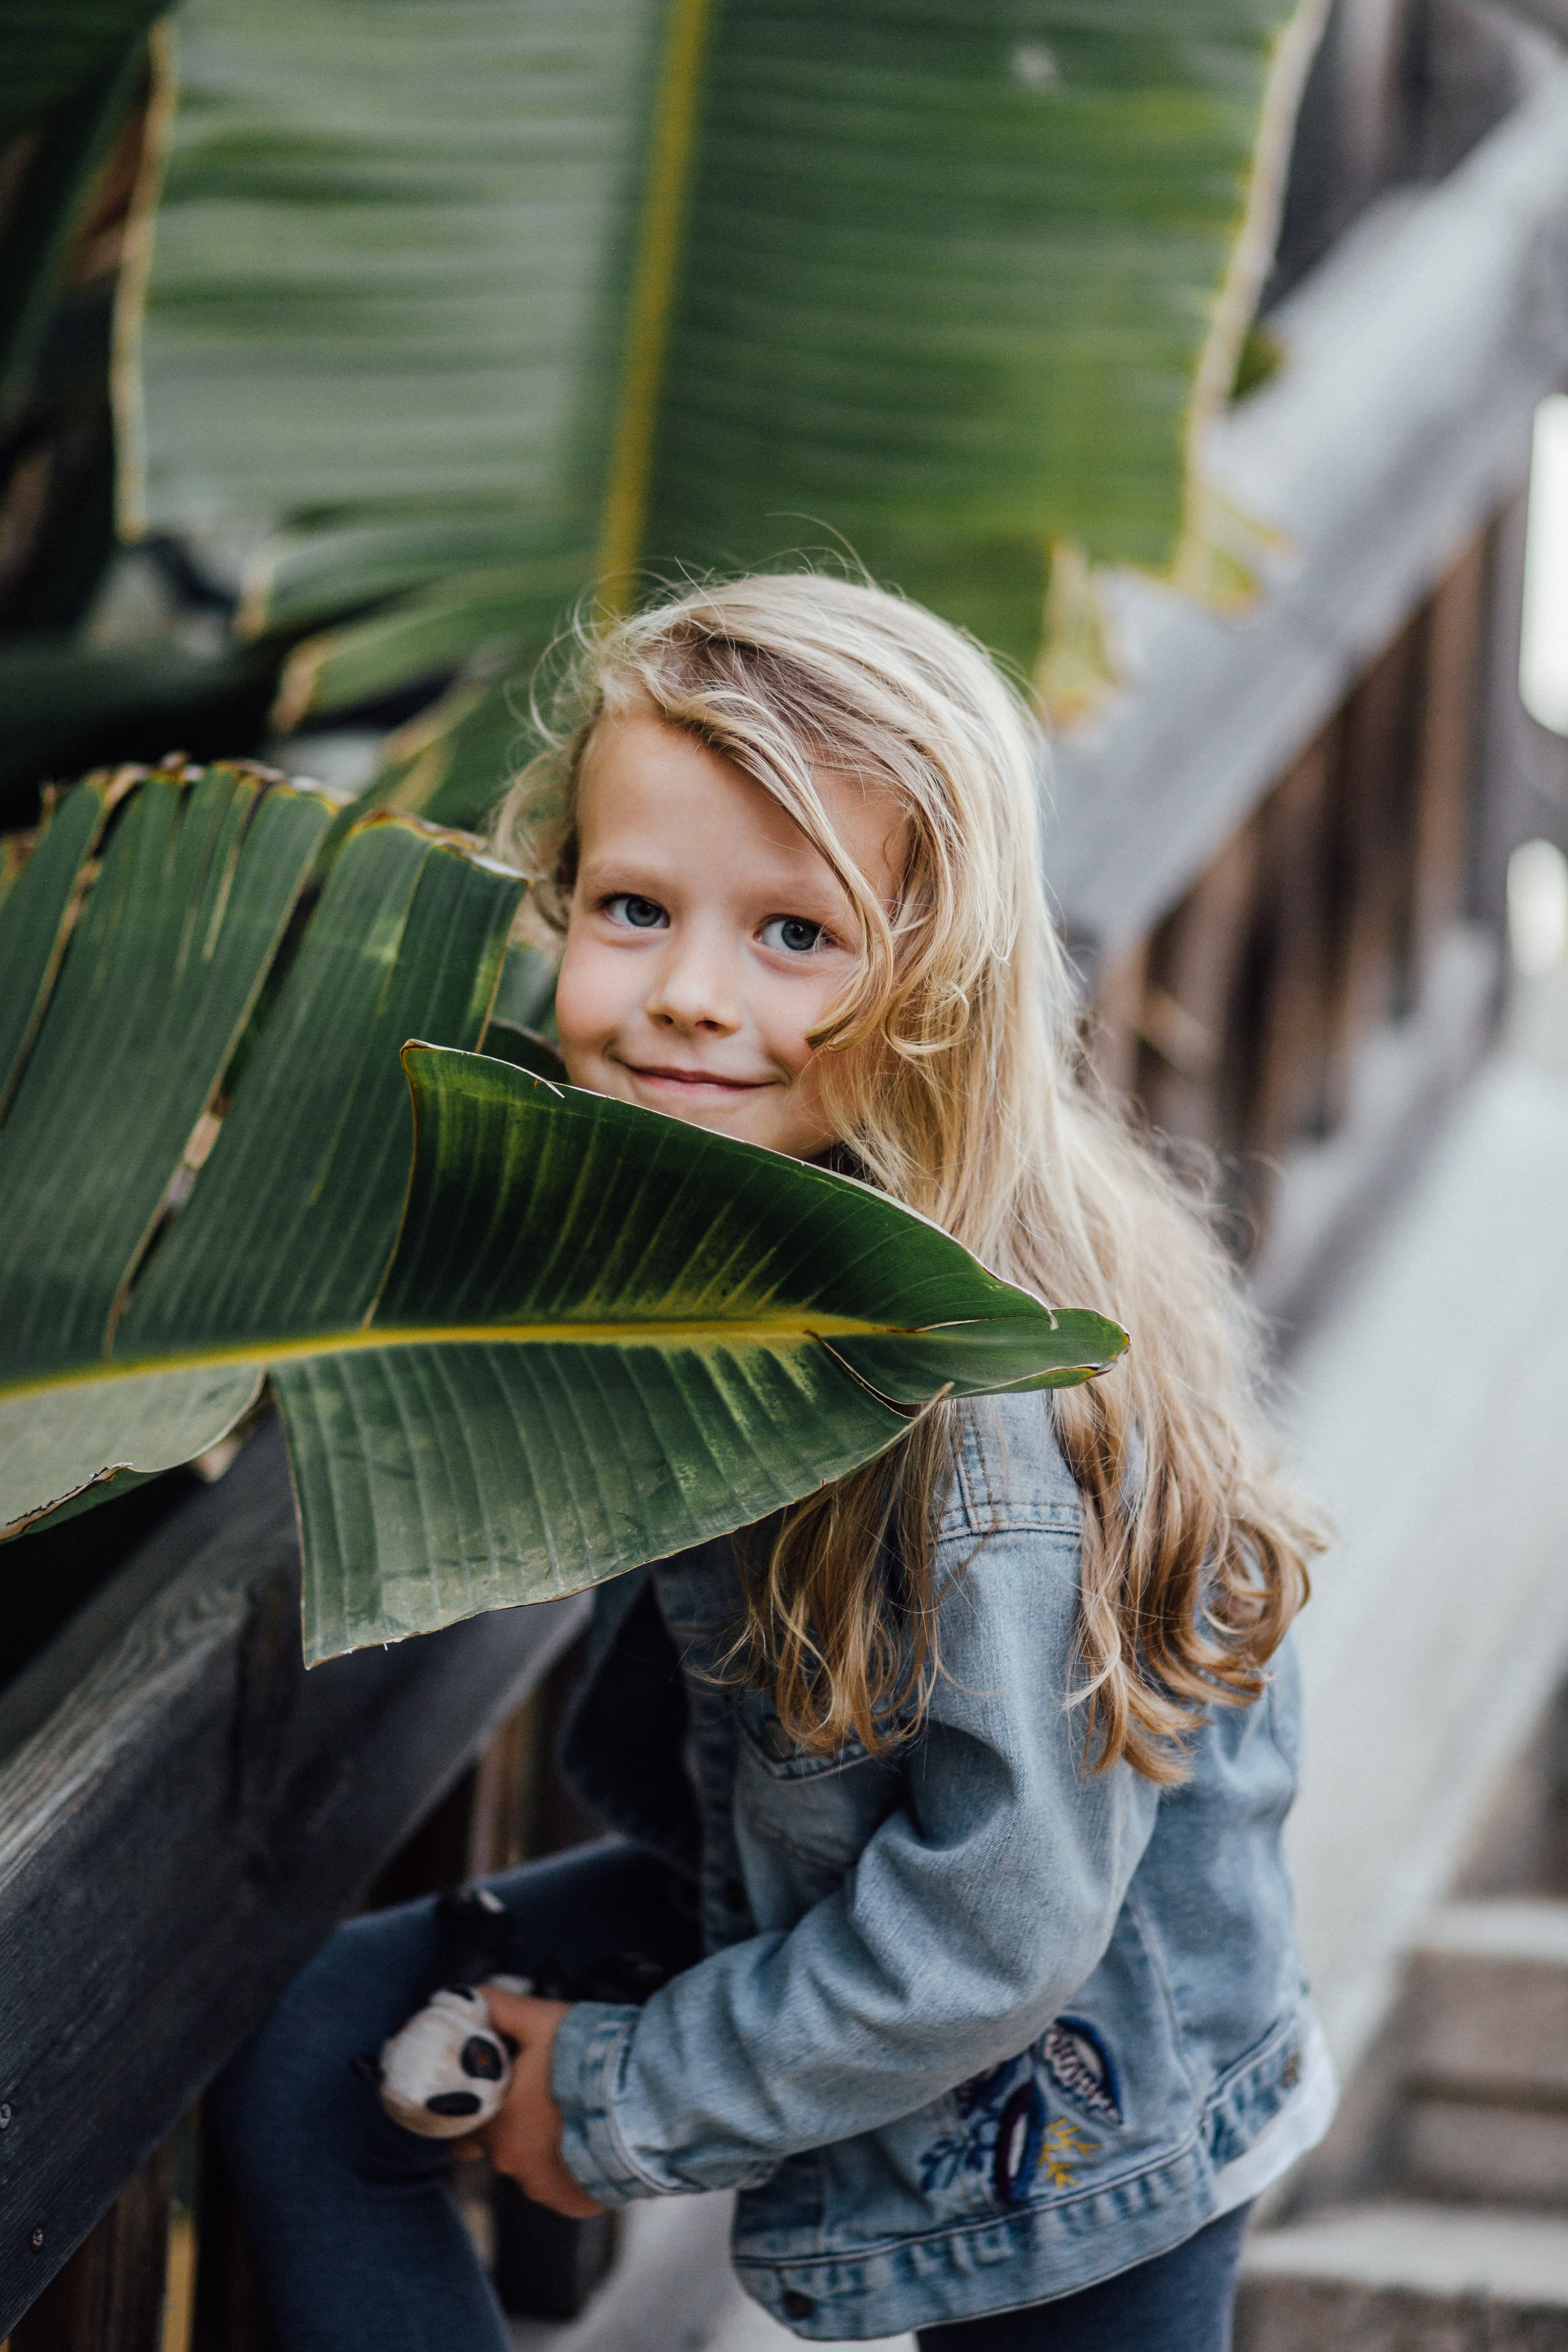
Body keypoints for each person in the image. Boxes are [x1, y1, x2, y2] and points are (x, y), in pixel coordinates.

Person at [214, 571, 1333, 2350]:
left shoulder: (988, 1418)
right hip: (804, 1882)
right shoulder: (707, 1214)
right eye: (633, 907)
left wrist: (613, 2098)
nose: (687, 998)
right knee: (312, 2057)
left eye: (794, 935)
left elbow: (1001, 1924)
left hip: (1077, 2112)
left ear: (942, 981)